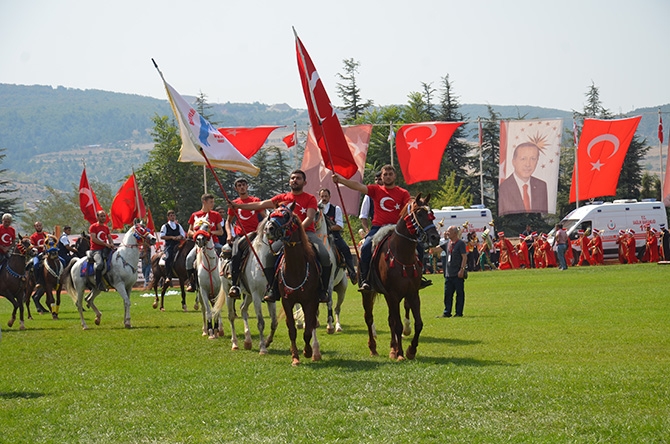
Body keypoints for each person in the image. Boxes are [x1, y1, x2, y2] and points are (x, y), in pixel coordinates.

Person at [231, 170, 332, 303]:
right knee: (268, 257)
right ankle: (273, 289)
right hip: (285, 236)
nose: (295, 180)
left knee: (324, 255)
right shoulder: (281, 198)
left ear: (304, 182)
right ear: (289, 181)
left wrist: (297, 230)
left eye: (298, 178)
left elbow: (310, 217)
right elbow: (260, 205)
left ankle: (322, 290)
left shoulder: (310, 198)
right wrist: (237, 205)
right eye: (292, 178)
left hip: (306, 233)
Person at [333, 164, 422, 291]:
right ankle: (365, 279)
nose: (388, 176)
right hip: (378, 228)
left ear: (395, 176)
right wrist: (341, 180)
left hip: (397, 228)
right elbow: (358, 186)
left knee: (419, 246)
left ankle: (419, 277)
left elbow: (409, 209)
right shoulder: (376, 190)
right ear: (381, 176)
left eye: (390, 174)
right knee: (366, 246)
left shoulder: (403, 193)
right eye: (385, 174)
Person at [225, 178, 264, 299]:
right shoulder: (234, 203)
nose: (242, 187)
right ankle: (235, 285)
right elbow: (228, 222)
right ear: (236, 189)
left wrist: (261, 229)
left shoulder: (255, 201)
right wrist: (229, 235)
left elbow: (264, 216)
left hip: (255, 235)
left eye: (243, 185)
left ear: (247, 186)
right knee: (236, 255)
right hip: (241, 237)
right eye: (239, 185)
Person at [185, 194, 224, 292]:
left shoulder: (216, 215)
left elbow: (221, 231)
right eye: (211, 202)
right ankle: (191, 283)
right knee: (189, 259)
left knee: (225, 258)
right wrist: (197, 234)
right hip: (199, 245)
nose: (213, 204)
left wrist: (210, 233)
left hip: (214, 244)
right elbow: (189, 231)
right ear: (204, 202)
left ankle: (228, 280)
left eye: (213, 202)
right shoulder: (195, 215)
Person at [319, 188, 357, 285]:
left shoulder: (335, 209)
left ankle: (352, 272)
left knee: (345, 249)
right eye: (322, 196)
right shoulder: (316, 209)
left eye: (326, 196)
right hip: (319, 237)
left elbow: (339, 225)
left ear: (329, 197)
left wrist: (328, 228)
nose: (324, 198)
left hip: (333, 236)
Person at [498, 142, 548, 216]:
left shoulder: (541, 186)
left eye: (533, 159)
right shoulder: (504, 187)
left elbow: (544, 217)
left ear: (537, 161)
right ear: (514, 162)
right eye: (523, 159)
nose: (528, 164)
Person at [440, 225, 467, 318]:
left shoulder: (460, 243)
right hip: (448, 274)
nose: (447, 233)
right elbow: (435, 249)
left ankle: (458, 313)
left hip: (457, 273)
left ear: (455, 233)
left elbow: (464, 257)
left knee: (459, 294)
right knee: (447, 294)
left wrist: (462, 270)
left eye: (449, 231)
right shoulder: (447, 243)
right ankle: (447, 312)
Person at [89, 210, 115, 291]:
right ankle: (98, 283)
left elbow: (109, 237)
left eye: (104, 216)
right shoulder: (93, 227)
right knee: (100, 264)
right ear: (97, 217)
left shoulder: (106, 227)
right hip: (95, 250)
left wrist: (111, 243)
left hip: (105, 249)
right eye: (101, 216)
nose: (103, 218)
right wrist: (106, 244)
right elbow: (94, 239)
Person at [159, 210, 186, 282]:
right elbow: (162, 236)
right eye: (171, 215)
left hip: (178, 245)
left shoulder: (178, 225)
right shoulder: (165, 226)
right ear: (168, 217)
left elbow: (183, 234)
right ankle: (168, 275)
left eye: (173, 215)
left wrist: (179, 237)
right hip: (169, 245)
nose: (172, 217)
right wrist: (172, 237)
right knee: (168, 258)